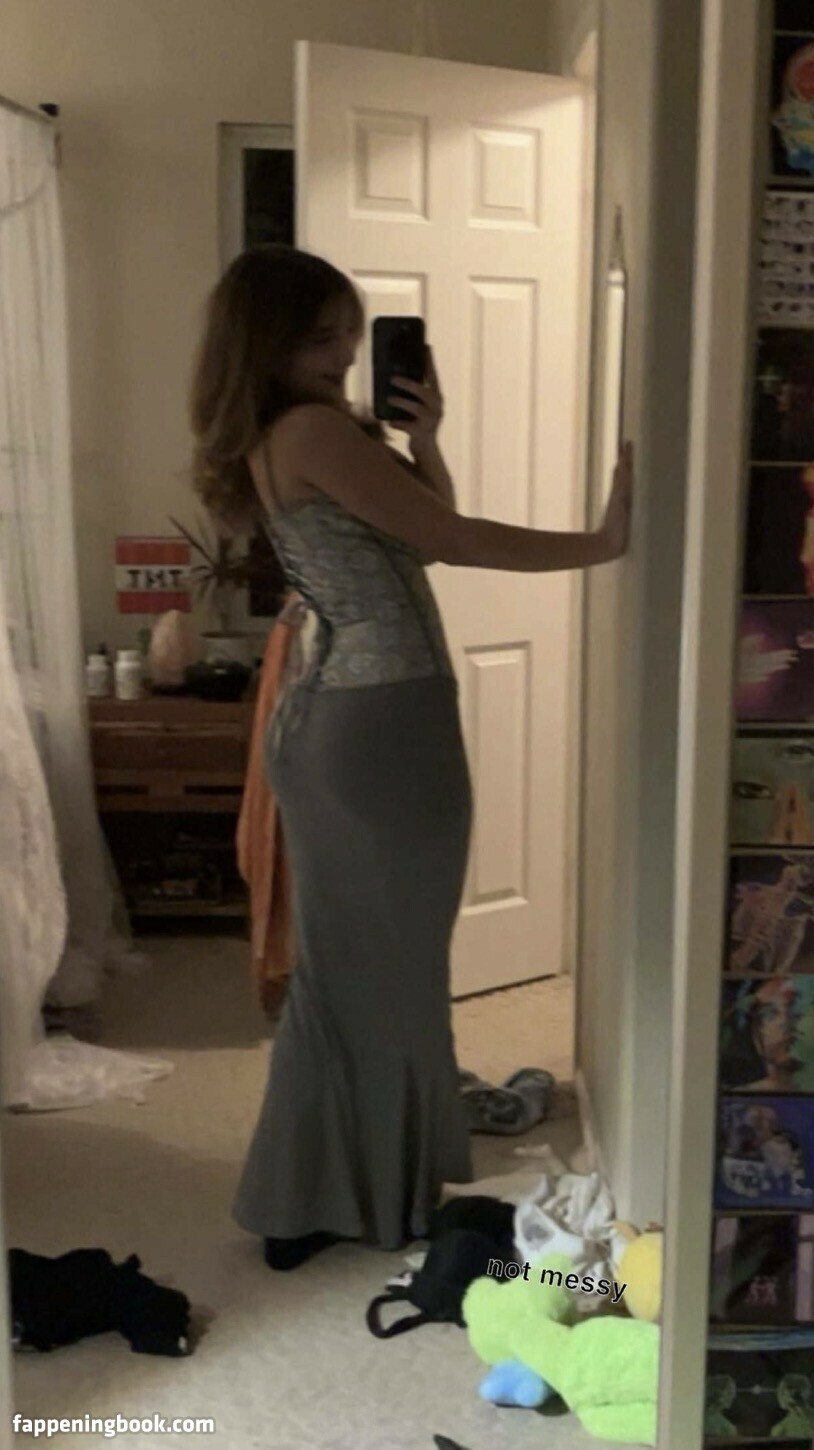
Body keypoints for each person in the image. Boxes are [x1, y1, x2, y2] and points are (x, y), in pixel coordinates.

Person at [189, 244, 634, 1271]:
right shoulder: (310, 431)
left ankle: (332, 1191)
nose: (346, 351)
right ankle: (335, 1193)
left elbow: (420, 535)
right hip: (375, 723)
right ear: (269, 344)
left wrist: (425, 440)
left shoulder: (296, 431)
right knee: (384, 970)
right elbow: (457, 538)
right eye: (322, 336)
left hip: (357, 718)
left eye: (349, 330)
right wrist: (600, 543)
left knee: (364, 969)